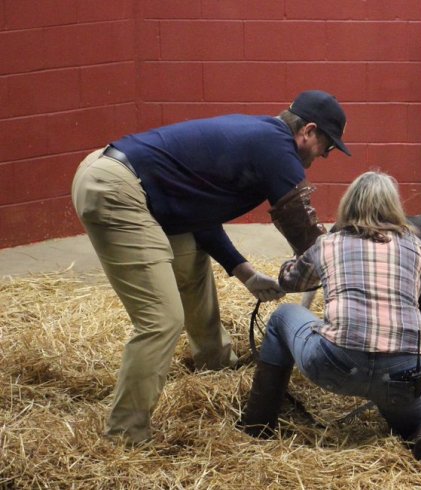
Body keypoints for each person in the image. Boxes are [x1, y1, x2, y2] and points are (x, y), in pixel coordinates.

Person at [71, 90, 351, 446]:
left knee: (190, 260)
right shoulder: (278, 148)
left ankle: (215, 362)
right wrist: (338, 270)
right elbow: (305, 236)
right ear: (308, 131)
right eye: (327, 146)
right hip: (116, 188)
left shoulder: (263, 137)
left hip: (126, 180)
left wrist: (245, 273)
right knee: (161, 320)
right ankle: (124, 436)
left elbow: (199, 215)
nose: (324, 156)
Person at [237, 171, 421, 474]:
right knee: (420, 417)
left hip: (337, 364)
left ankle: (257, 423)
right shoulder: (417, 248)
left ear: (348, 204)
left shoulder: (328, 245)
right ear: (394, 207)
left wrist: (298, 258)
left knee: (282, 317)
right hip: (402, 372)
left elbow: (290, 280)